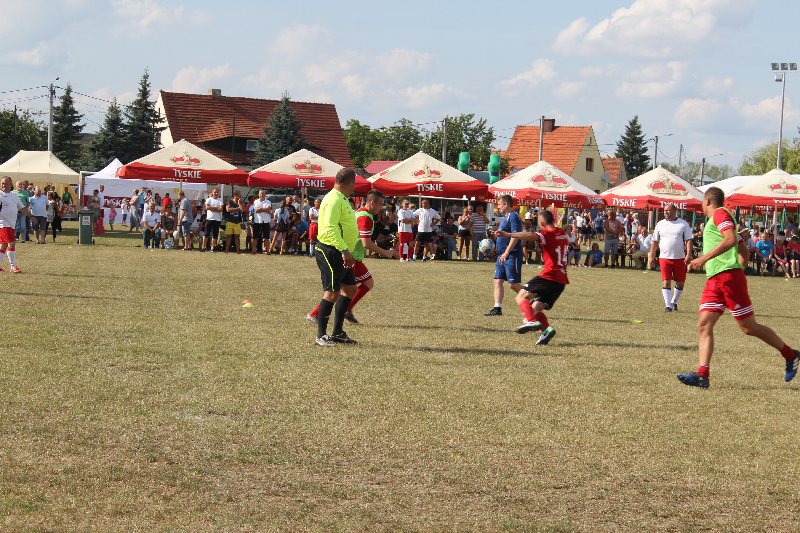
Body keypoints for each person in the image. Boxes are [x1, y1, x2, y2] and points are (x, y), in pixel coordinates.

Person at [678, 187, 799, 388]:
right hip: (716, 279)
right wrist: (739, 267)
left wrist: (706, 259)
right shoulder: (718, 220)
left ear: (707, 201)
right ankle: (702, 375)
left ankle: (791, 354)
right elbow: (742, 248)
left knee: (748, 327)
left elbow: (731, 240)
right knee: (704, 324)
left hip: (727, 278)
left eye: (702, 202)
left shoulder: (720, 214)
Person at [307, 190, 395, 326]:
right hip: (351, 257)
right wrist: (386, 252)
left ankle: (344, 310)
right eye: (380, 204)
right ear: (372, 202)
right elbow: (366, 243)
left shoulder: (360, 213)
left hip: (352, 256)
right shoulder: (365, 217)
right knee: (340, 290)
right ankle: (316, 314)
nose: (381, 207)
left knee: (361, 285)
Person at [497, 209, 568, 346]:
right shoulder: (562, 233)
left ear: (541, 222)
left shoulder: (546, 234)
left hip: (549, 275)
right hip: (561, 280)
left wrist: (508, 234)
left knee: (520, 297)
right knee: (534, 307)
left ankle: (530, 321)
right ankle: (546, 330)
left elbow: (530, 236)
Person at [312, 168, 360, 346]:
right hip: (332, 250)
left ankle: (337, 333)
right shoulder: (333, 199)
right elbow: (330, 228)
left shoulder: (342, 199)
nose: (353, 188)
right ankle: (321, 335)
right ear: (350, 183)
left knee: (350, 289)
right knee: (332, 292)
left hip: (342, 250)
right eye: (354, 184)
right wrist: (344, 250)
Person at [485, 195, 523, 316]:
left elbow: (515, 236)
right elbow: (506, 234)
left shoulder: (513, 216)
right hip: (501, 255)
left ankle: (532, 297)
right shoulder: (505, 218)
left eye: (499, 204)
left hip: (511, 255)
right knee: (497, 281)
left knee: (513, 284)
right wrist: (497, 234)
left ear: (506, 204)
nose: (498, 207)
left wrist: (507, 252)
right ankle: (497, 308)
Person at [0, 176, 30, 273]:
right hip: (4, 224)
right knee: (11, 243)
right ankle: (13, 267)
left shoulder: (14, 196)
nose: (4, 185)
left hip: (11, 224)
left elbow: (22, 208)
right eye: (2, 183)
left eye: (6, 183)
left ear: (11, 184)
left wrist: (31, 216)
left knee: (3, 245)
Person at [251, 190, 272, 254]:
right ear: (258, 194)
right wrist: (265, 209)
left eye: (263, 194)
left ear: (265, 194)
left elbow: (268, 210)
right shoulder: (255, 202)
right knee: (255, 237)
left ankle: (268, 251)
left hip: (266, 221)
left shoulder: (268, 202)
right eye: (260, 194)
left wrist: (260, 209)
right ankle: (253, 250)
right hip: (257, 221)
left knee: (267, 237)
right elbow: (256, 210)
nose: (261, 195)